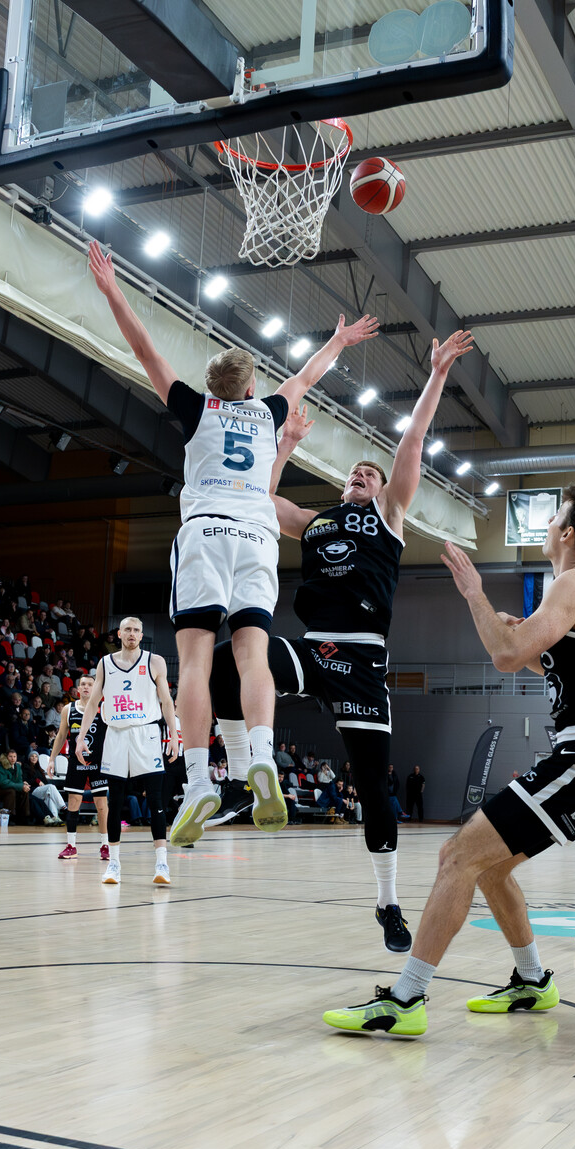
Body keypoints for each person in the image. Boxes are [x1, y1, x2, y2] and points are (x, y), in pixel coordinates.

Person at [88, 240, 378, 847]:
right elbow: (307, 375)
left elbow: (144, 349)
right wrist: (339, 341)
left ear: (213, 388)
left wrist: (112, 290)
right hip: (257, 537)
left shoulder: (196, 409)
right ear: (249, 390)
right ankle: (262, 758)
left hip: (207, 533)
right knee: (252, 657)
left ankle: (199, 781)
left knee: (195, 663)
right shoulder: (268, 411)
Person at [321, 485, 575, 1038]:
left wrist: (474, 595)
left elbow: (506, 656)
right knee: (488, 867)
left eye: (554, 517)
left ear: (567, 533)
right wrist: (515, 631)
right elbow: (538, 660)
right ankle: (532, 981)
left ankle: (406, 998)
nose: (547, 525)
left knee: (456, 856)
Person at [208, 327, 475, 953]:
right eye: (354, 471)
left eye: (369, 473)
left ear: (382, 489)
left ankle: (388, 902)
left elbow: (412, 442)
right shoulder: (316, 520)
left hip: (361, 659)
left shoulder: (388, 516)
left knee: (375, 788)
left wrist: (437, 372)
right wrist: (284, 444)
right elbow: (258, 498)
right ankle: (244, 779)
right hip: (313, 645)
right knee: (228, 662)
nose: (360, 474)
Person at [76, 616, 178, 886]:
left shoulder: (155, 662)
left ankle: (162, 863)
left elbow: (166, 701)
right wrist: (81, 737)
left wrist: (173, 735)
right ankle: (114, 864)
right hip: (116, 734)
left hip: (147, 733)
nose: (132, 633)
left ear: (142, 635)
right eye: (128, 629)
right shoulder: (105, 663)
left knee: (156, 800)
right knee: (115, 800)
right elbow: (93, 702)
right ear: (119, 634)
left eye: (136, 630)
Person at [48, 675, 110, 862]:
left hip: (98, 762)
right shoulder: (69, 709)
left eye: (90, 684)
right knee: (73, 802)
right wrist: (52, 759)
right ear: (78, 688)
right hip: (76, 762)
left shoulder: (103, 708)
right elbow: (61, 736)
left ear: (95, 688)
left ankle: (105, 845)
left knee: (101, 805)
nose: (86, 687)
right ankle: (71, 846)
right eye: (83, 684)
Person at [0, 750, 31, 824]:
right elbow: (3, 783)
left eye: (14, 756)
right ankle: (10, 817)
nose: (13, 758)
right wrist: (20, 786)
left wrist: (23, 785)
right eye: (10, 756)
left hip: (6, 788)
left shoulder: (18, 767)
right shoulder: (0, 767)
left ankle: (24, 817)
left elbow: (18, 781)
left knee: (24, 791)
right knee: (11, 792)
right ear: (6, 757)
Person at [25, 750, 64, 824]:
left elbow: (45, 782)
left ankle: (54, 818)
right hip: (32, 790)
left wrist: (41, 782)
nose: (34, 758)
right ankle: (63, 807)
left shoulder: (40, 770)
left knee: (49, 797)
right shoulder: (25, 767)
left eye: (36, 756)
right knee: (50, 787)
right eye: (32, 756)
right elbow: (26, 780)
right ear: (29, 758)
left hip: (41, 791)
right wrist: (37, 781)